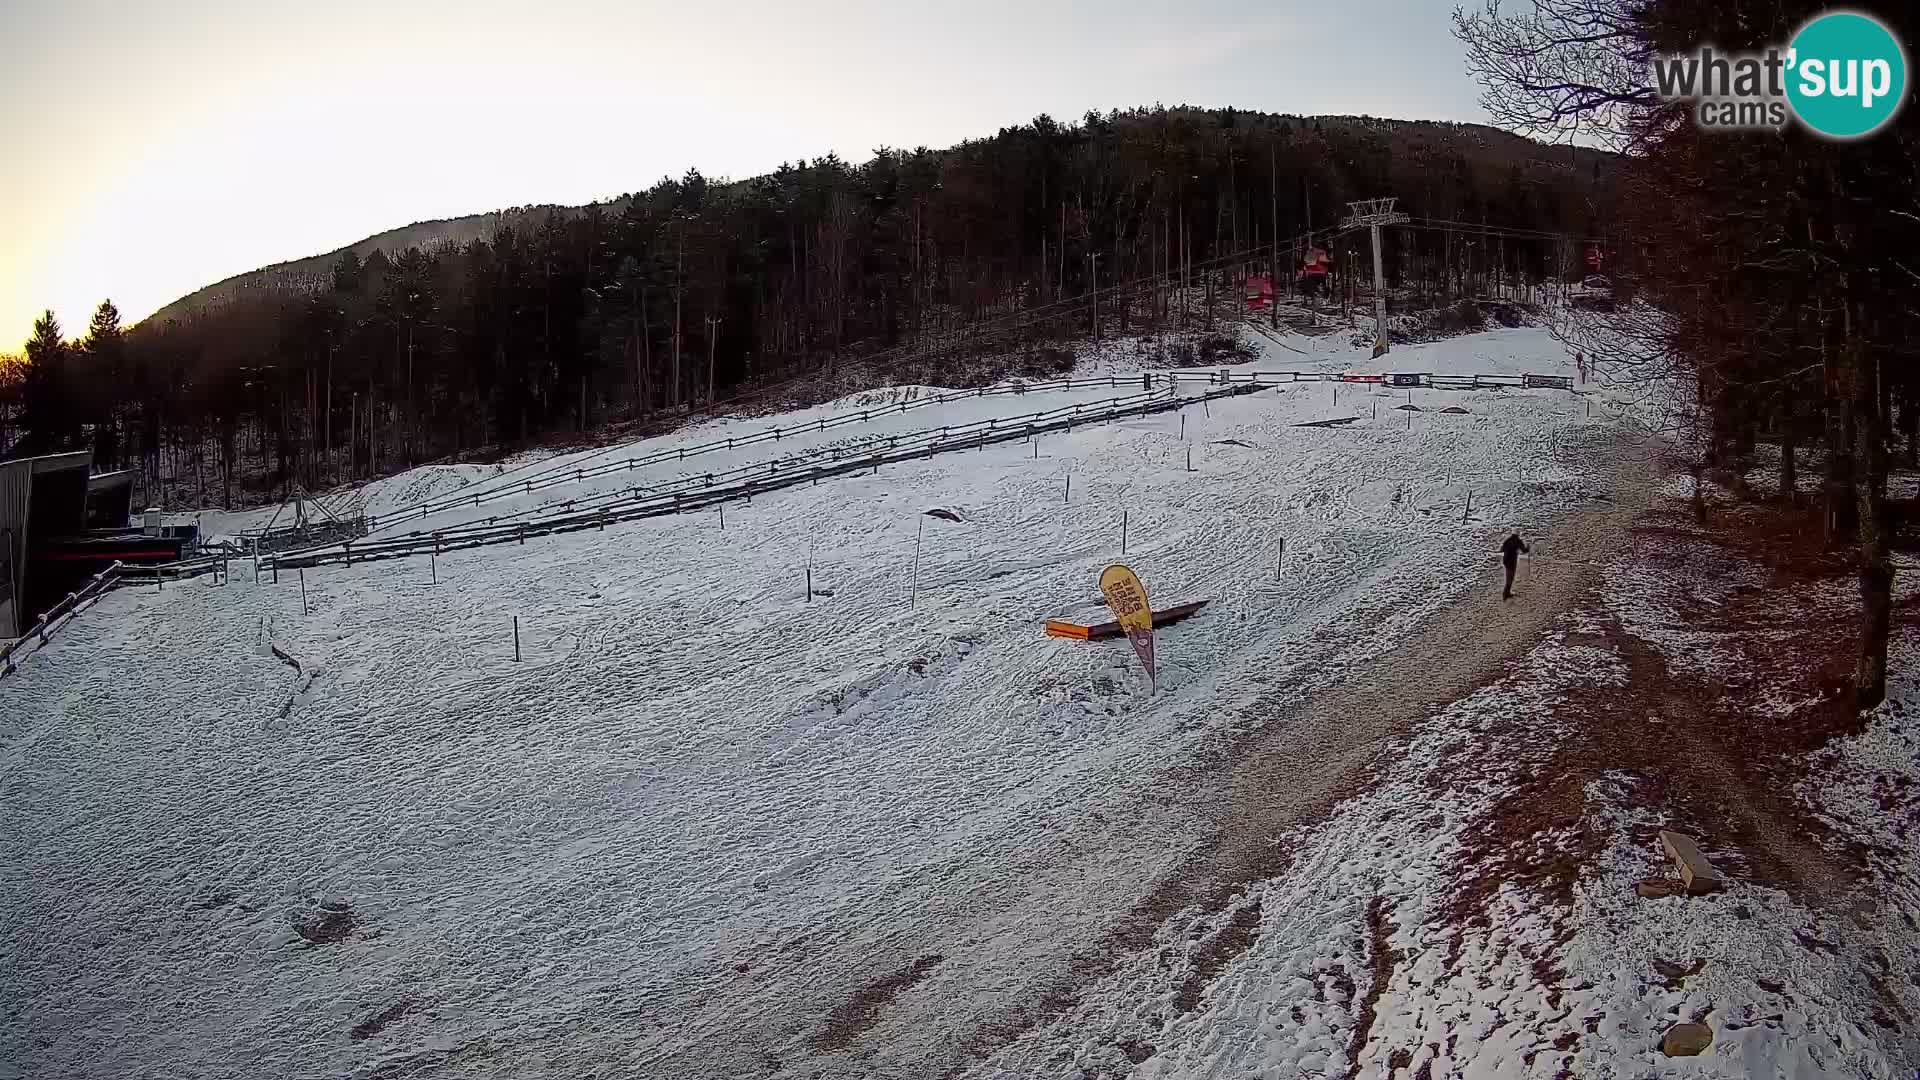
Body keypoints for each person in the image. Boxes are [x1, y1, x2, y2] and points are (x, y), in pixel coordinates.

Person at [1501, 531, 1530, 600]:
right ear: (1518, 534)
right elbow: (1524, 551)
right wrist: (1528, 547)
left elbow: (1502, 549)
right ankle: (1506, 594)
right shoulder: (1518, 541)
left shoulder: (1508, 540)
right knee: (1510, 578)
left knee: (1508, 576)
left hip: (1505, 561)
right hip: (1512, 562)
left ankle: (1506, 593)